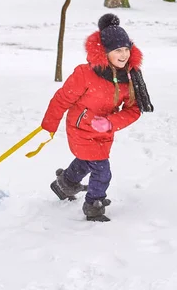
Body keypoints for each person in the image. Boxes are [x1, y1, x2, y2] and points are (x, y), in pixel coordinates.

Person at [41, 13, 154, 222]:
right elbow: (62, 99)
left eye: (126, 49)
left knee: (86, 161)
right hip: (80, 128)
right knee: (102, 172)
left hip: (104, 131)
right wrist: (49, 124)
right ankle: (94, 206)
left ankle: (64, 184)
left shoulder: (129, 78)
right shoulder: (85, 74)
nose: (124, 55)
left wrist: (110, 122)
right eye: (118, 50)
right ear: (105, 52)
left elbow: (134, 109)